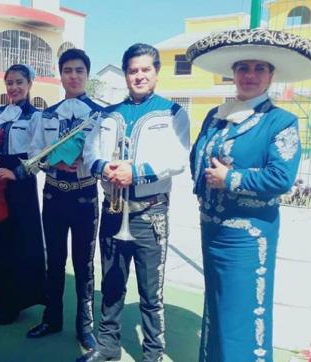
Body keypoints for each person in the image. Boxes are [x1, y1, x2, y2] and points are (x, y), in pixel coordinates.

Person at [186, 28, 311, 362]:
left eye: (258, 68)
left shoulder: (280, 121)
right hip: (212, 228)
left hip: (248, 236)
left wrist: (230, 178)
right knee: (217, 308)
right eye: (242, 68)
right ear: (233, 73)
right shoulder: (215, 116)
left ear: (271, 75)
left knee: (242, 315)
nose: (249, 75)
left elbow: (281, 177)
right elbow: (197, 156)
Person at [78, 43, 190, 362]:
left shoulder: (172, 112)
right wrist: (105, 168)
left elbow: (179, 159)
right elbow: (90, 154)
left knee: (150, 293)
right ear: (125, 73)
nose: (139, 76)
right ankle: (108, 347)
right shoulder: (108, 113)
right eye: (132, 70)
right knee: (111, 284)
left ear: (156, 71)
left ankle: (152, 353)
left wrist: (135, 172)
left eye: (145, 70)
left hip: (149, 214)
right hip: (113, 211)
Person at [26, 49, 101, 350]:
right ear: (60, 75)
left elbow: (107, 155)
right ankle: (51, 318)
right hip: (54, 194)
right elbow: (33, 155)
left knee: (84, 265)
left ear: (86, 75)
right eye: (67, 70)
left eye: (79, 70)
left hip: (85, 196)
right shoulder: (47, 115)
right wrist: (52, 163)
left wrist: (88, 161)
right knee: (54, 261)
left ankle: (85, 328)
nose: (73, 76)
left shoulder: (101, 115)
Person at [0, 64, 46, 324]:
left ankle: (18, 300)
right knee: (0, 239)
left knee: (20, 241)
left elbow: (41, 156)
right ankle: (1, 297)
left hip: (20, 181)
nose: (14, 87)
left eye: (19, 82)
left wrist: (18, 173)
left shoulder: (36, 116)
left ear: (30, 83)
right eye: (9, 82)